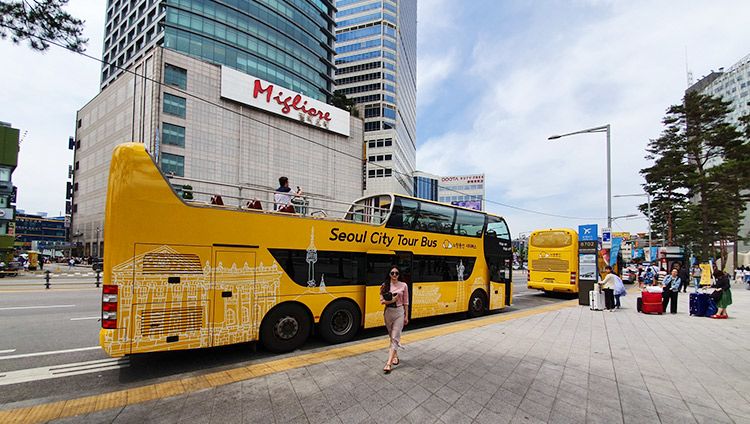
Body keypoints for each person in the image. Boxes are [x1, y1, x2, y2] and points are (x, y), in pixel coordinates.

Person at [381, 266, 409, 374]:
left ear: (399, 275)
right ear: (389, 274)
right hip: (388, 312)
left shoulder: (404, 285)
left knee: (395, 336)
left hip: (399, 312)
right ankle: (395, 355)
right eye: (392, 273)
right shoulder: (384, 286)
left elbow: (406, 301)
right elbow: (382, 301)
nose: (394, 275)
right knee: (391, 337)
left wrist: (406, 316)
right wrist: (392, 299)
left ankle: (388, 363)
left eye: (396, 273)